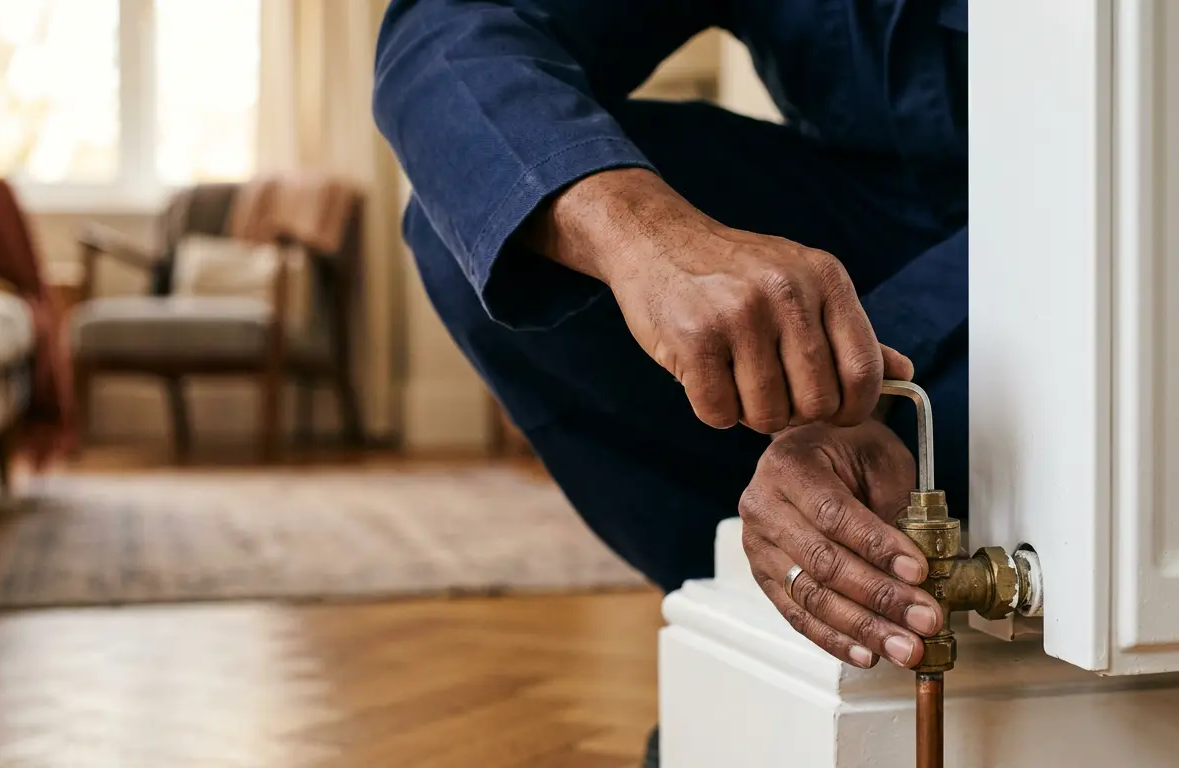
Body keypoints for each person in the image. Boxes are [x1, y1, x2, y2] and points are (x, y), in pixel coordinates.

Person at [373, 0, 966, 732]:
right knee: (480, 213)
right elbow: (452, 26)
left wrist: (867, 384)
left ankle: (825, 595)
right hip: (868, 217)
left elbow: (1126, 175)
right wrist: (641, 232)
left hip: (1106, 254)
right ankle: (747, 618)